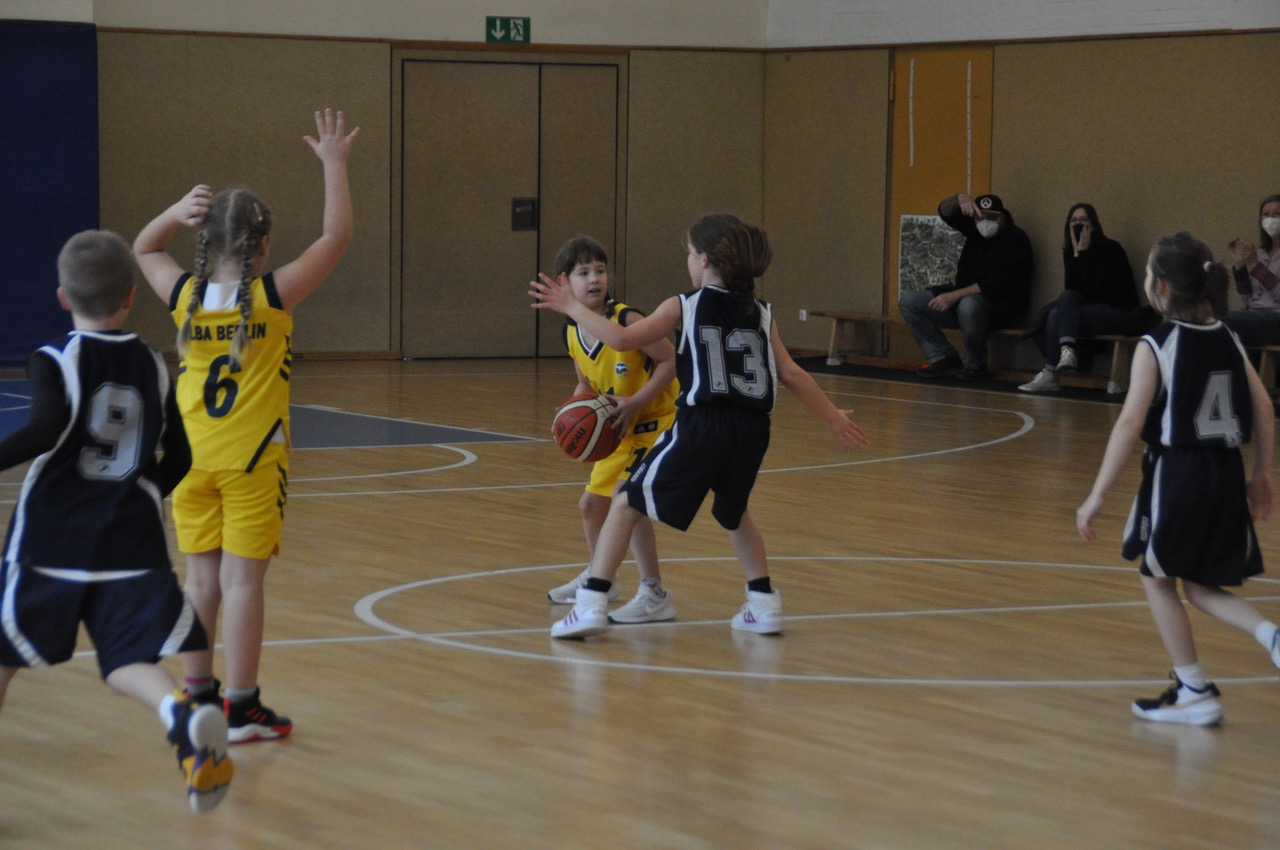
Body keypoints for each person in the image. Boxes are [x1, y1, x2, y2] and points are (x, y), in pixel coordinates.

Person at [530, 213, 869, 639]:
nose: (688, 261)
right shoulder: (762, 312)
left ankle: (591, 603)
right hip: (753, 430)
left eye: (689, 254)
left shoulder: (685, 304)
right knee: (733, 513)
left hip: (702, 424)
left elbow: (622, 339)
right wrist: (832, 417)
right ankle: (764, 604)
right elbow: (792, 374)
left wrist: (570, 306)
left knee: (625, 502)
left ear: (704, 259)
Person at [133, 108, 359, 742]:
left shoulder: (184, 296)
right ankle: (242, 707)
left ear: (204, 242)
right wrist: (334, 165)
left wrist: (172, 213)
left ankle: (198, 693)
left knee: (201, 581)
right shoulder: (272, 296)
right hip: (252, 459)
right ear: (263, 246)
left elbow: (144, 247)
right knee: (241, 582)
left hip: (188, 460)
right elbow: (336, 236)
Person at [0, 230, 233, 812]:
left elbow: (44, 429)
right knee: (128, 660)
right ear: (131, 297)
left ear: (62, 297)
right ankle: (179, 713)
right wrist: (142, 493)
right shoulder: (154, 363)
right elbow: (179, 457)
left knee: (3, 659)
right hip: (132, 538)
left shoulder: (53, 358)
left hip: (51, 537)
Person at [1076, 231, 1280, 726]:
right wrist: (1261, 472)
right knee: (1198, 584)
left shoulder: (1157, 344)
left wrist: (1097, 495)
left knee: (1157, 578)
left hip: (1179, 473)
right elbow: (1264, 406)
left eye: (1149, 273)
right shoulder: (1228, 336)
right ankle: (1266, 639)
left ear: (1161, 287)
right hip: (1225, 472)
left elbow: (1129, 424)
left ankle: (1194, 690)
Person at [543, 236, 681, 624]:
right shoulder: (572, 330)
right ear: (565, 281)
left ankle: (654, 591)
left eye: (600, 270)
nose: (594, 279)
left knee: (627, 500)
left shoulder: (627, 320)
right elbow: (585, 384)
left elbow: (671, 360)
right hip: (619, 428)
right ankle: (602, 575)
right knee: (591, 505)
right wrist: (570, 410)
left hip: (655, 423)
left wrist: (637, 401)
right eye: (583, 272)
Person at [900, 192, 1033, 381]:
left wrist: (954, 295)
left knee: (969, 304)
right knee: (910, 301)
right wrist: (960, 198)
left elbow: (995, 283)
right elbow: (946, 212)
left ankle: (975, 364)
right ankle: (943, 358)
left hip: (1000, 308)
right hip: (962, 301)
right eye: (980, 217)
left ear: (1002, 217)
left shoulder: (1016, 239)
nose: (985, 221)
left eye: (991, 217)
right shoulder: (974, 230)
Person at [1019, 203, 1141, 393]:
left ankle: (1053, 369)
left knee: (1056, 314)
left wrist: (1083, 254)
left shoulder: (1110, 248)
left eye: (1083, 220)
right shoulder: (1071, 251)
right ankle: (1065, 354)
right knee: (1058, 308)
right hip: (1087, 310)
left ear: (1093, 225)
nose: (1078, 224)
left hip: (1116, 310)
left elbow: (1098, 291)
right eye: (1073, 220)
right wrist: (1077, 254)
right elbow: (1073, 290)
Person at [1221, 194, 1280, 347]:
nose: (1270, 218)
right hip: (1253, 314)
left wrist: (1254, 264)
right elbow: (1248, 299)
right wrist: (1240, 265)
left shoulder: (1255, 258)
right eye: (1266, 214)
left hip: (1275, 318)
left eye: (1277, 214)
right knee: (1211, 319)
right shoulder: (1260, 253)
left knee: (1222, 321)